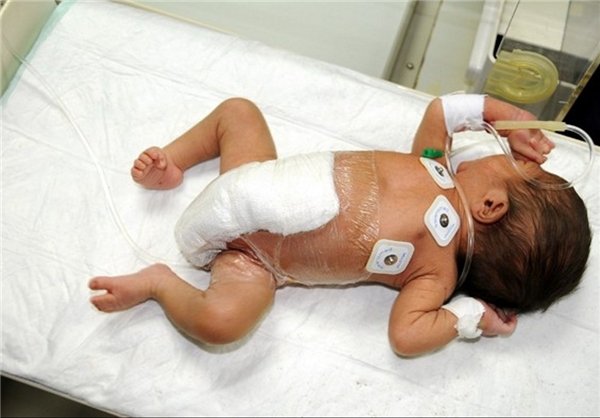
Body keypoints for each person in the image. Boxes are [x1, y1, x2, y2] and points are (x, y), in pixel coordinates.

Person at [88, 95, 591, 357]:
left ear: (491, 206)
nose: (509, 152)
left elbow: (406, 335)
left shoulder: (434, 276)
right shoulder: (433, 162)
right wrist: (510, 118)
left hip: (253, 261)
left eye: (519, 166)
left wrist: (470, 316)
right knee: (239, 113)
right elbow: (444, 110)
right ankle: (172, 164)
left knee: (223, 322)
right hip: (254, 178)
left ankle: (159, 282)